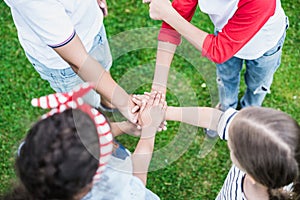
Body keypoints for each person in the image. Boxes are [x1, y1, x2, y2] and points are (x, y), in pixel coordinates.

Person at [1, 83, 166, 200]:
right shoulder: (114, 192)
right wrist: (149, 130)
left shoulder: (33, 152)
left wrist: (125, 126)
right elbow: (136, 182)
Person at [133, 94, 300, 199]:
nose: (229, 142)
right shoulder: (277, 156)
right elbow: (215, 119)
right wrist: (163, 112)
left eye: (232, 147)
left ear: (251, 175)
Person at [146, 0, 289, 114]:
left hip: (265, 46)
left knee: (258, 84)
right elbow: (173, 26)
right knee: (226, 79)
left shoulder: (262, 2)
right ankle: (226, 110)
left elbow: (218, 50)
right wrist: (159, 85)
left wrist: (168, 14)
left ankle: (249, 112)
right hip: (224, 33)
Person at [3, 0, 137, 121]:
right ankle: (97, 131)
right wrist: (127, 104)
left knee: (104, 68)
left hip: (93, 29)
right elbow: (79, 62)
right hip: (64, 62)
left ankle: (108, 101)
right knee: (84, 108)